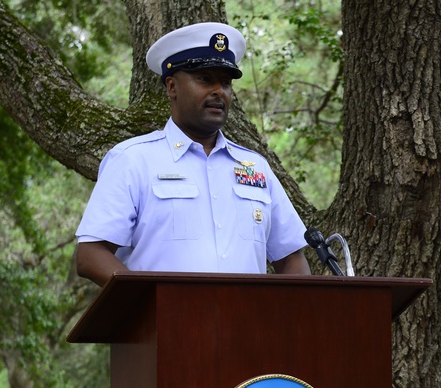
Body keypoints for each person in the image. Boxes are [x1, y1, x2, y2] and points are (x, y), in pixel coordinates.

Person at [75, 22, 311, 286]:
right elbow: (91, 255)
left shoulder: (255, 167)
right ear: (172, 87)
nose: (218, 91)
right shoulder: (132, 160)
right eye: (205, 79)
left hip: (246, 326)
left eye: (225, 83)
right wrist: (153, 305)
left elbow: (292, 258)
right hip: (166, 325)